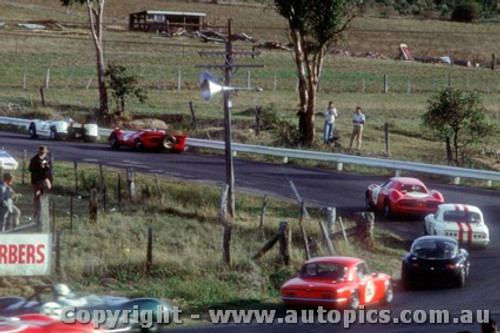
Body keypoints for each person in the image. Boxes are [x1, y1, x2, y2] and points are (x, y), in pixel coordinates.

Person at [29, 145, 52, 217]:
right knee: (36, 195)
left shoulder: (47, 159)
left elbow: (49, 170)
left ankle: (42, 194)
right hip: (36, 178)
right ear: (39, 152)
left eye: (44, 152)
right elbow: (30, 169)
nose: (43, 154)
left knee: (48, 186)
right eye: (42, 152)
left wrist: (47, 167)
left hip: (44, 177)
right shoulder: (34, 159)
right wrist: (39, 167)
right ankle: (35, 212)